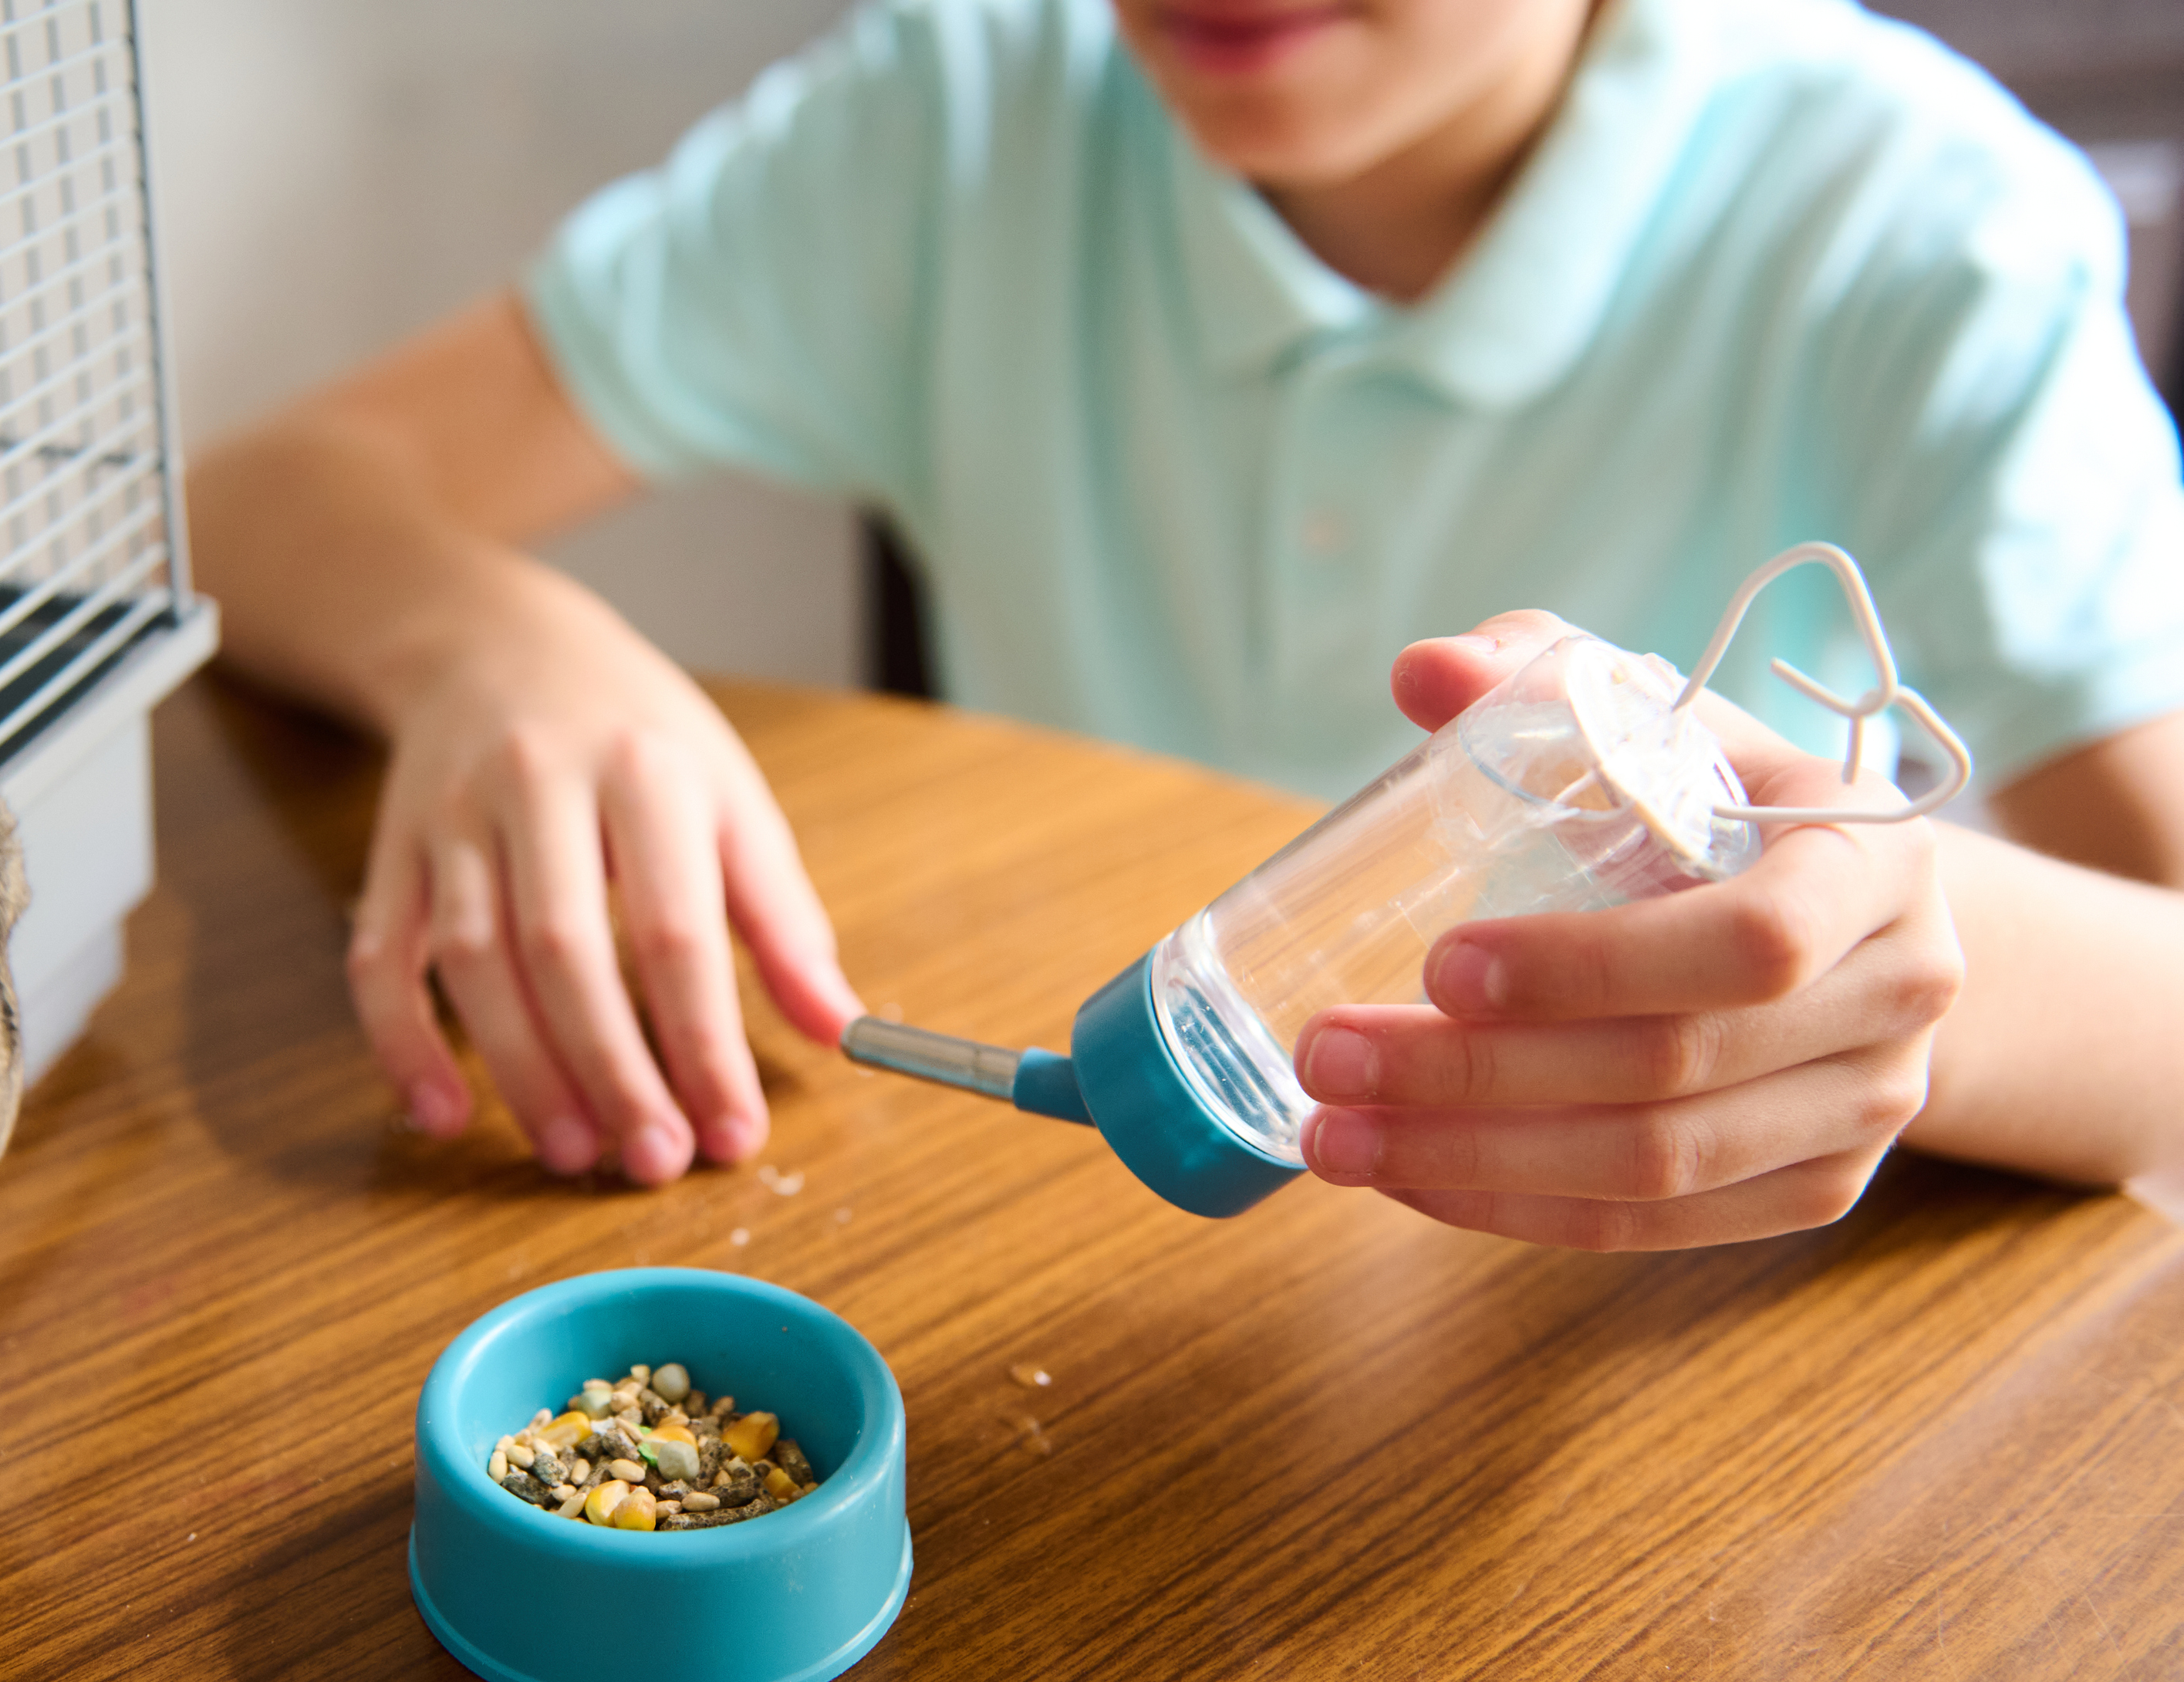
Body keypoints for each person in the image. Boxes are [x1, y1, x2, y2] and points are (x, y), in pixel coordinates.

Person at [181, 0, 2184, 1249]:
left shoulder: (1921, 234)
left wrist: (1922, 974)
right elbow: (259, 496)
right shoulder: (962, 112)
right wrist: (498, 642)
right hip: (1083, 1277)